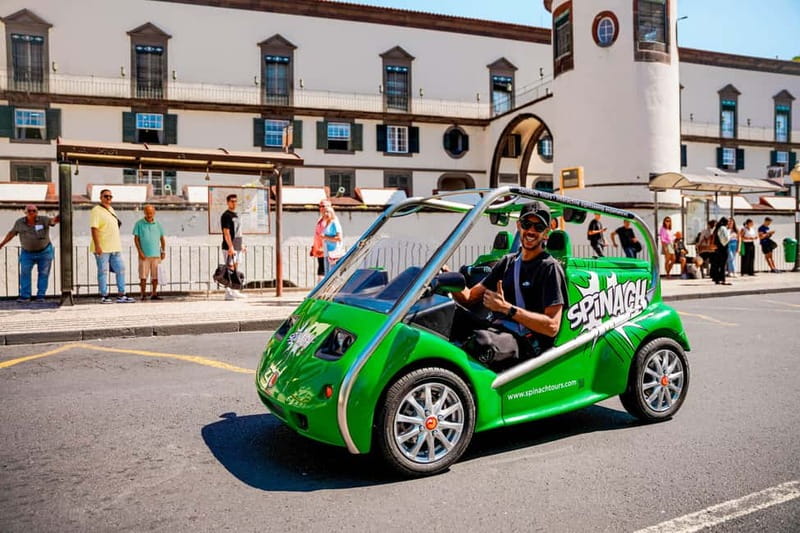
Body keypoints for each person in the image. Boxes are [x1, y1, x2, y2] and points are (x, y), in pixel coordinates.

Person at [452, 202, 567, 366]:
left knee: (481, 342)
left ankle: (458, 385)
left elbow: (551, 326)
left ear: (546, 232)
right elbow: (469, 297)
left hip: (526, 341)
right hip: (498, 330)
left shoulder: (549, 268)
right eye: (527, 224)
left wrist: (506, 308)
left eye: (539, 226)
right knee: (449, 315)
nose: (531, 231)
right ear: (519, 225)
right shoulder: (508, 262)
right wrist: (447, 277)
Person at [0, 204, 59, 303]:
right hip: (27, 253)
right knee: (24, 274)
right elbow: (11, 234)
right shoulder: (19, 223)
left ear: (37, 212)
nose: (32, 212)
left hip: (45, 252)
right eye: (29, 211)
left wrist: (61, 213)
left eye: (34, 211)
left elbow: (53, 221)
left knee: (44, 274)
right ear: (25, 212)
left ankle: (40, 296)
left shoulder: (43, 220)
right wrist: (1, 244)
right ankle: (25, 296)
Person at [91, 189, 134, 303]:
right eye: (106, 196)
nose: (108, 198)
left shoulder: (111, 209)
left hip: (115, 246)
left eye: (110, 196)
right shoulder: (96, 210)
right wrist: (97, 246)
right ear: (101, 197)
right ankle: (104, 295)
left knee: (121, 269)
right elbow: (94, 229)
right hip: (103, 247)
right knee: (103, 271)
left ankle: (121, 294)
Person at [133, 204, 166, 300]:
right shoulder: (139, 223)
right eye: (147, 212)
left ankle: (154, 293)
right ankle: (143, 294)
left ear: (154, 213)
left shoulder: (158, 224)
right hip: (144, 255)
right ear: (144, 212)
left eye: (151, 212)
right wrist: (140, 252)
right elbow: (136, 239)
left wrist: (163, 251)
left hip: (156, 255)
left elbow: (162, 239)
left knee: (155, 276)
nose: (149, 214)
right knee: (143, 276)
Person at [221, 193, 246, 300]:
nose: (234, 203)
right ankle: (228, 293)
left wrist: (242, 244)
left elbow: (238, 231)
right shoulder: (226, 215)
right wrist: (230, 246)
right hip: (229, 246)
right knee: (229, 268)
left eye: (235, 201)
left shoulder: (236, 215)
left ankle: (235, 290)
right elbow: (226, 232)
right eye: (232, 201)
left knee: (235, 268)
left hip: (238, 244)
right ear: (227, 202)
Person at [311, 199, 332, 281]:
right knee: (321, 269)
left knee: (325, 270)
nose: (321, 208)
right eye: (320, 206)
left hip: (326, 249)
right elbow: (317, 235)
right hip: (319, 249)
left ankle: (323, 289)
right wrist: (314, 246)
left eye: (323, 206)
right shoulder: (321, 219)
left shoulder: (330, 220)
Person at [321, 206, 344, 271]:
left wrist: (325, 237)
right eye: (324, 212)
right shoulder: (326, 223)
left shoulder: (334, 223)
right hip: (327, 253)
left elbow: (339, 238)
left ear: (332, 213)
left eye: (327, 212)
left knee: (332, 273)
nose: (326, 214)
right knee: (327, 274)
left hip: (334, 253)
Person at [710, 217, 730, 285]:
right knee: (723, 264)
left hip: (717, 248)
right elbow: (726, 238)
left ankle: (717, 279)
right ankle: (723, 279)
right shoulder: (723, 228)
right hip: (723, 248)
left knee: (717, 264)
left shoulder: (717, 228)